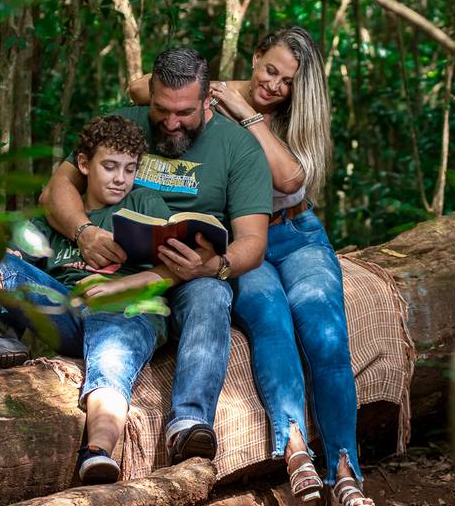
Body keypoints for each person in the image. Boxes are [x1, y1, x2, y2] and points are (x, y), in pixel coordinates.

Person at [130, 27, 374, 506]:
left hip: (296, 234)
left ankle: (346, 469)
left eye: (288, 81)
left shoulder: (290, 117)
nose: (274, 86)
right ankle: (296, 450)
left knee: (325, 332)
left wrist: (246, 115)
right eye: (270, 70)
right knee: (271, 319)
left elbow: (289, 179)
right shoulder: (216, 93)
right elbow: (140, 88)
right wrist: (208, 94)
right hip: (244, 238)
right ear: (257, 55)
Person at [0, 115, 180, 485]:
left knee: (111, 360)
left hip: (126, 311)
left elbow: (178, 265)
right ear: (84, 164)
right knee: (1, 263)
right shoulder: (60, 218)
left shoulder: (146, 202)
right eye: (110, 167)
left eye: (130, 169)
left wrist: (124, 286)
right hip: (67, 311)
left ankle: (98, 451)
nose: (120, 179)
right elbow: (12, 263)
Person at [40, 47, 272, 465]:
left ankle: (189, 423)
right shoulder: (123, 125)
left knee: (211, 294)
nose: (170, 122)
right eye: (161, 109)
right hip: (114, 265)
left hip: (187, 271)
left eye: (184, 113)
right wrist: (83, 231)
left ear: (207, 99)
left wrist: (214, 266)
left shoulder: (238, 147)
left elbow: (252, 242)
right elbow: (56, 189)